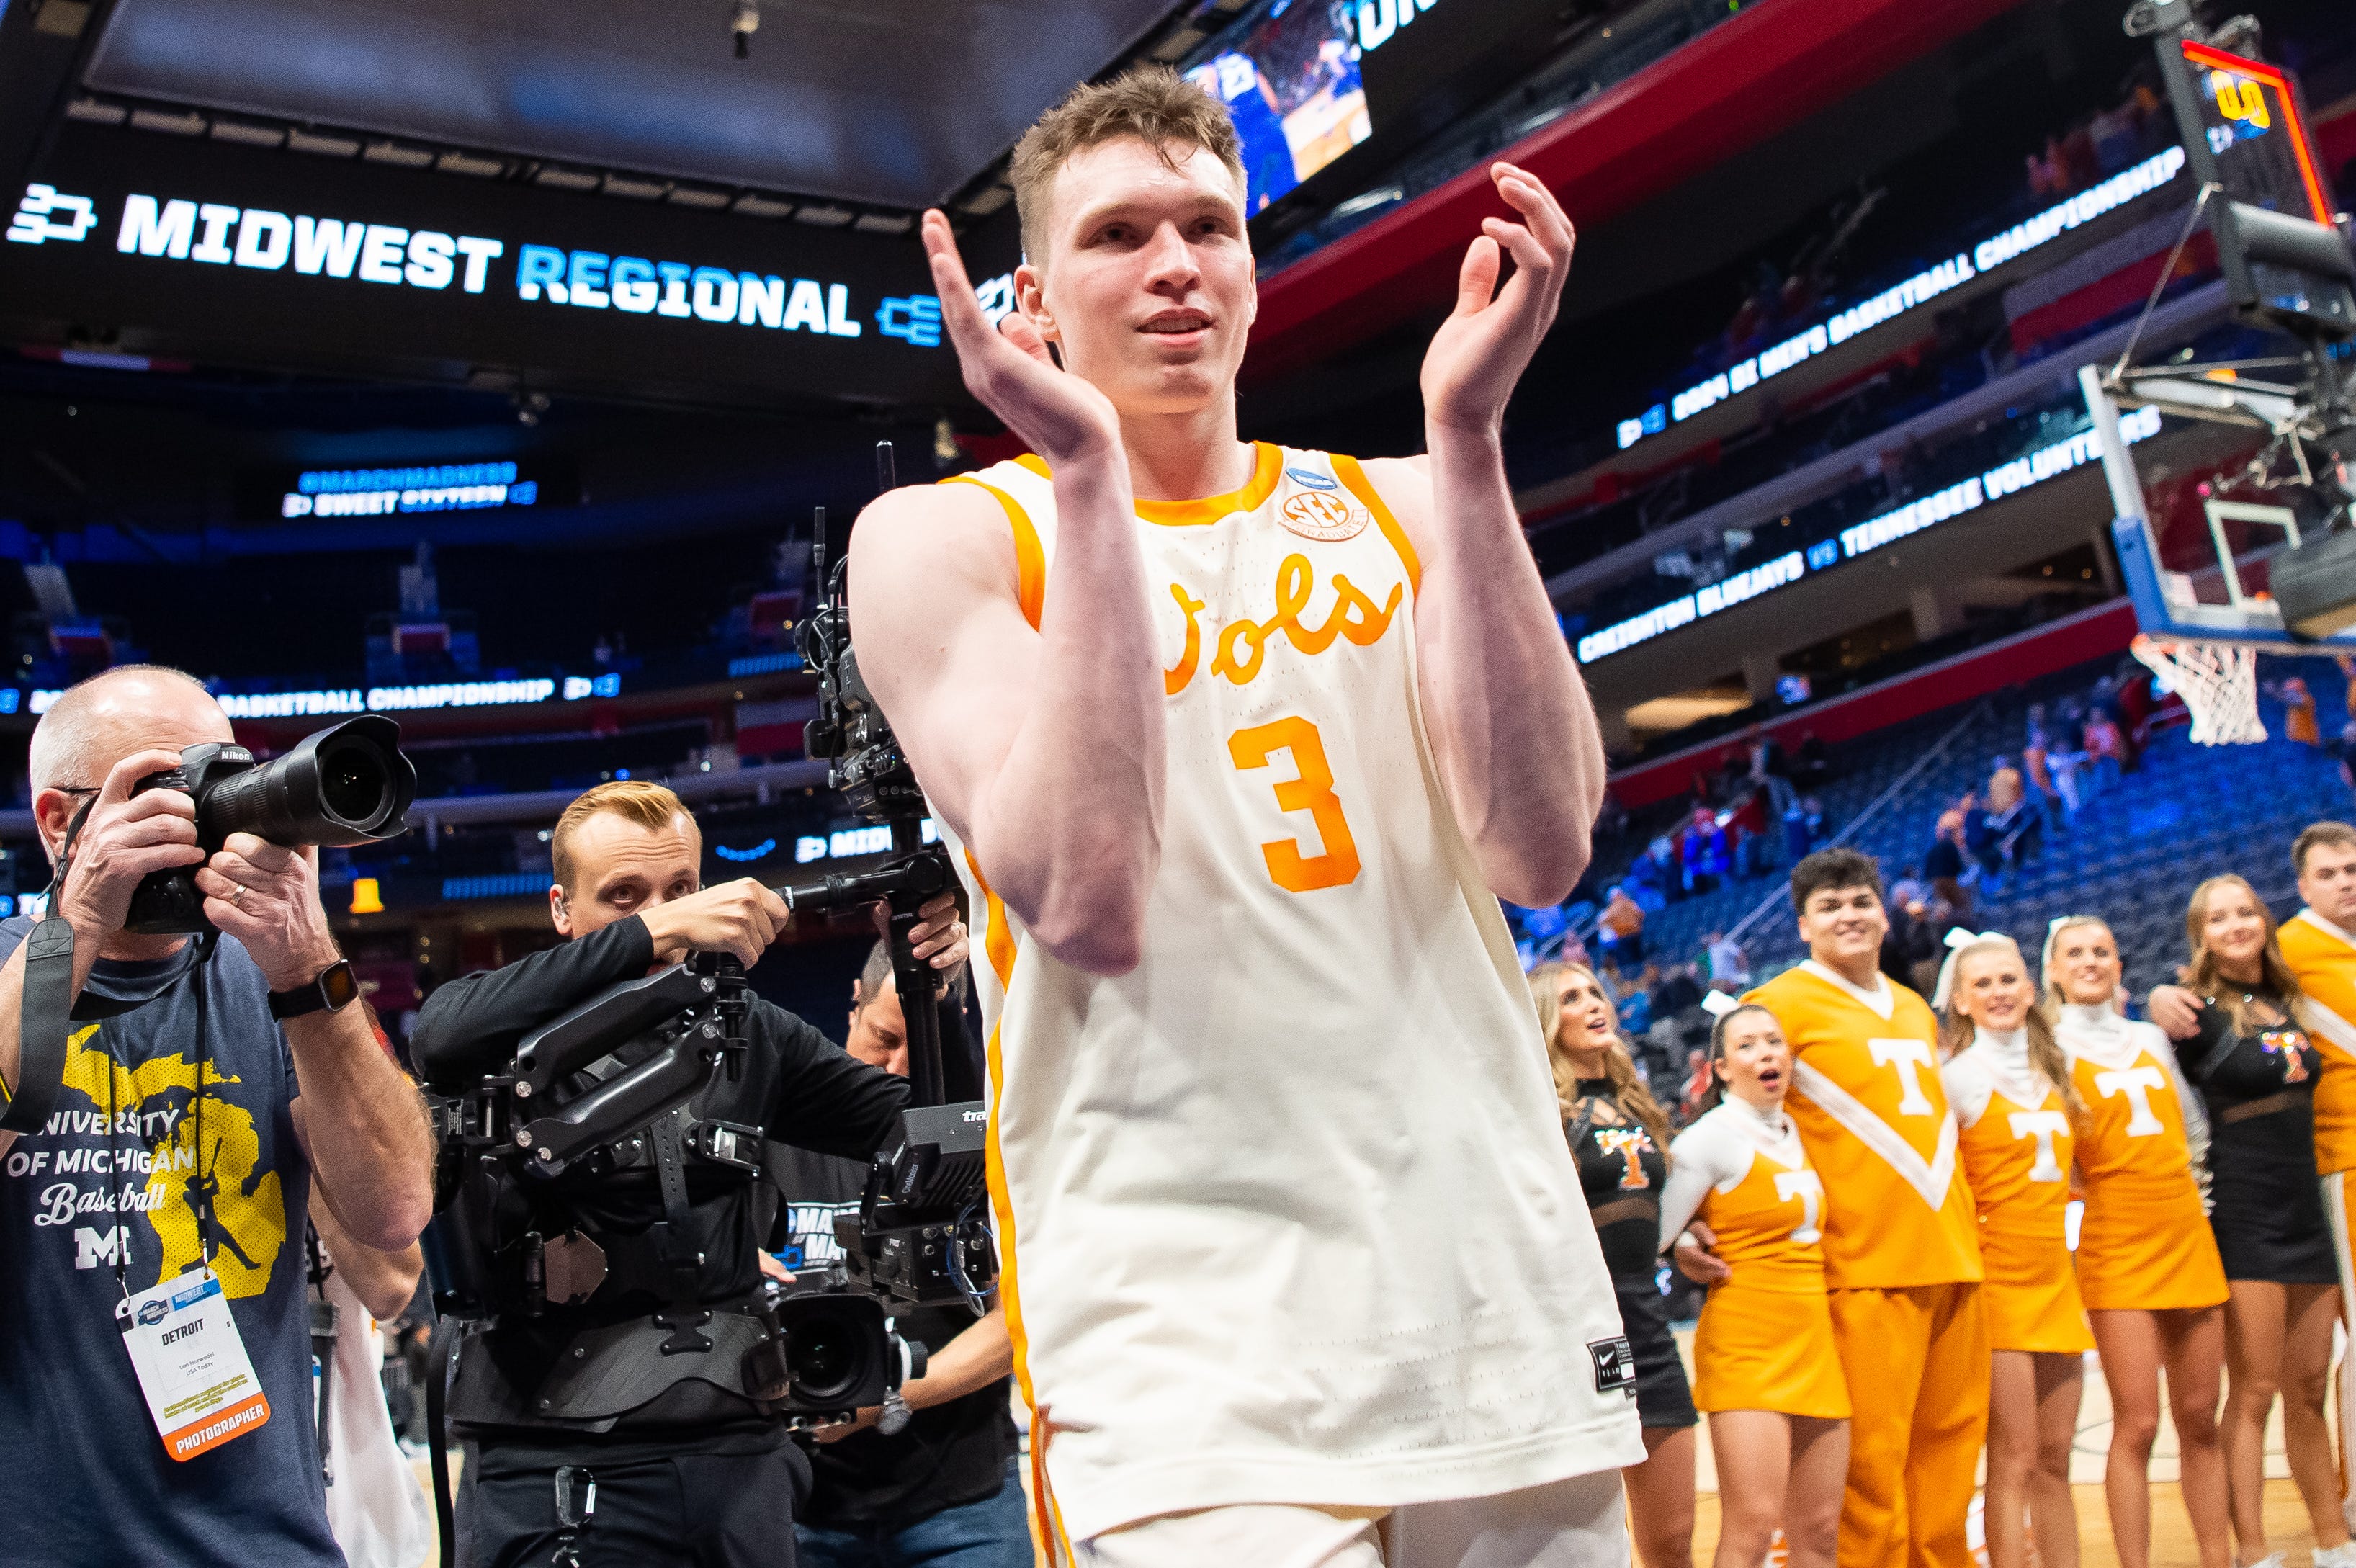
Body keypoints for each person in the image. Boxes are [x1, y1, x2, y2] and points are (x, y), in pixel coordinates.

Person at [852, 66, 1642, 1564]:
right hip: (1184, 1336)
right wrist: (1088, 477)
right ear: (1031, 293)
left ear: (1251, 272)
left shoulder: (1415, 499)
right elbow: (1085, 898)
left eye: (1208, 227)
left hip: (1491, 1285)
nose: (1172, 265)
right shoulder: (950, 534)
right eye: (1118, 234)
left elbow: (1539, 846)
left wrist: (1467, 447)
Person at [408, 781, 969, 1568]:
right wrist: (655, 928)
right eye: (623, 896)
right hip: (553, 1467)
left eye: (681, 889)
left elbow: (923, 1130)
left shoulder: (756, 1031)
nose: (665, 914)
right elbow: (437, 1035)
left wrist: (936, 992)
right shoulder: (503, 1027)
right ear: (562, 909)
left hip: (736, 1462)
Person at [0, 666, 435, 1566]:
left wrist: (308, 962)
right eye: (163, 794)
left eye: (221, 783)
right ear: (57, 821)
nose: (201, 823)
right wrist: (80, 917)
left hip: (263, 1544)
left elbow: (395, 1218)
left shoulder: (281, 985)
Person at [1690, 848, 1986, 1568]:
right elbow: (1720, 1116)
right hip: (1859, 1267)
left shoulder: (1914, 1004)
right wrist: (1696, 1217)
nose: (1849, 914)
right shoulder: (1778, 1004)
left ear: (1884, 912)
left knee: (1947, 1461)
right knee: (1867, 1477)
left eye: (1860, 901)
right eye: (1829, 906)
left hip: (1950, 1255)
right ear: (1801, 925)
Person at [780, 941, 1028, 1568]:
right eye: (882, 1038)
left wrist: (893, 1393)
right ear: (853, 1006)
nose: (892, 1071)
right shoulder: (778, 1132)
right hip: (805, 1508)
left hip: (961, 1506)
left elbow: (1017, 1320)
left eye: (915, 1055)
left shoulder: (969, 1139)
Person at [2162, 877, 2349, 1568]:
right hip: (2245, 1220)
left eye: (2245, 911)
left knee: (2306, 1387)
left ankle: (2331, 1539)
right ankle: (2255, 1551)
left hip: (2307, 1214)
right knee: (2255, 1390)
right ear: (2200, 932)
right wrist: (2156, 994)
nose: (2235, 924)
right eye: (2219, 916)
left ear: (2264, 921)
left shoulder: (2288, 1000)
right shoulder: (2191, 1013)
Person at [2046, 915, 2231, 1568]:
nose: (2091, 961)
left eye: (2102, 949)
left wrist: (2197, 1203)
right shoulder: (2050, 1049)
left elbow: (2194, 1130)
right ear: (2055, 971)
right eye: (2076, 953)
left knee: (2201, 1414)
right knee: (2139, 1422)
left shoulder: (2150, 1036)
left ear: (2119, 963)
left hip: (2184, 1232)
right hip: (2115, 1245)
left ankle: (2220, 1557)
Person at [1659, 998, 1848, 1568]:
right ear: (1720, 1068)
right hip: (1747, 1347)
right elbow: (1649, 1239)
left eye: (1772, 1040)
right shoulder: (1706, 1140)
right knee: (1753, 1525)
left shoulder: (1804, 1130)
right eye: (1745, 1044)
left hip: (1815, 1342)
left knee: (1817, 1529)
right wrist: (1686, 1241)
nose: (1765, 1052)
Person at [1531, 962, 1696, 1568]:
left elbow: (1652, 1212)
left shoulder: (1636, 1103)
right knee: (1594, 1543)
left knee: (1673, 1540)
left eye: (1595, 991)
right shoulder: (1544, 1109)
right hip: (1587, 1335)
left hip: (1649, 1327)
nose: (1592, 1003)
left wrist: (1680, 1243)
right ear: (1549, 1018)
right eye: (1571, 997)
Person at [1933, 933, 2087, 1568]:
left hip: (2055, 1279)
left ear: (2030, 989)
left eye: (2008, 979)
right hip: (1996, 1285)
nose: (1999, 992)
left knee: (2055, 1457)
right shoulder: (1955, 1080)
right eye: (1984, 984)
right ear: (1961, 1001)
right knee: (2014, 1458)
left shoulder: (2055, 1069)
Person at [1600, 884, 1647, 967]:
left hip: (1630, 936)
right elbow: (1642, 915)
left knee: (1633, 959)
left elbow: (1641, 915)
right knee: (1633, 959)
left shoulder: (1628, 905)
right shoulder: (1630, 905)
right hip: (1626, 937)